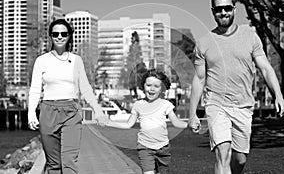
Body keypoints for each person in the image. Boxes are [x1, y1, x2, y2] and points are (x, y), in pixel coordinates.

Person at [189, 0, 284, 174]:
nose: (223, 12)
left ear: (234, 9)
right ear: (213, 11)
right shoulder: (204, 42)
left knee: (240, 159)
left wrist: (279, 96)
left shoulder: (249, 35)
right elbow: (199, 78)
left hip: (243, 105)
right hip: (216, 104)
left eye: (227, 8)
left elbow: (266, 68)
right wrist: (192, 113)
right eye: (219, 9)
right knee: (222, 153)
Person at [27, 19, 107, 174]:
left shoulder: (76, 60)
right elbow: (35, 89)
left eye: (63, 33)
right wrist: (31, 113)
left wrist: (98, 110)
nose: (59, 37)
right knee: (53, 164)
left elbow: (85, 88)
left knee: (69, 162)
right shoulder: (41, 61)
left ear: (69, 36)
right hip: (48, 112)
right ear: (50, 36)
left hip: (71, 112)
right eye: (55, 34)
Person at [106, 69, 188, 174]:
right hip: (145, 148)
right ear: (143, 86)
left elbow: (176, 122)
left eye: (156, 86)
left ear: (162, 89)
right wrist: (109, 122)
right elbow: (128, 124)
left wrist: (189, 125)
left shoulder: (165, 104)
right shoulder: (138, 105)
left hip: (163, 148)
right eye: (148, 85)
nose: (152, 89)